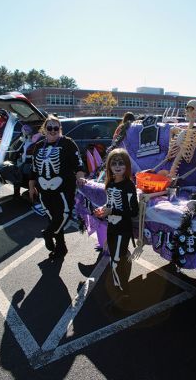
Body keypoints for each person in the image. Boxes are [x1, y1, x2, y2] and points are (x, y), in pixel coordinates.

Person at [29, 115, 86, 259]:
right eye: (50, 128)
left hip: (63, 190)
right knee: (52, 217)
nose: (53, 131)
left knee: (63, 216)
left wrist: (80, 177)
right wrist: (31, 187)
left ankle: (48, 234)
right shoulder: (38, 146)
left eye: (56, 128)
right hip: (44, 191)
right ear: (44, 129)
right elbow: (33, 170)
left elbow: (78, 164)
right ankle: (61, 248)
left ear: (60, 129)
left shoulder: (67, 143)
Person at [94, 148, 139, 304]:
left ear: (127, 166)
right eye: (114, 163)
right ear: (109, 166)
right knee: (114, 259)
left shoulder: (128, 186)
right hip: (112, 226)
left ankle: (123, 292)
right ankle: (119, 289)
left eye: (121, 163)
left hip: (122, 229)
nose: (118, 166)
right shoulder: (110, 183)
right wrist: (103, 209)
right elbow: (111, 203)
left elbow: (134, 211)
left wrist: (112, 210)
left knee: (115, 262)